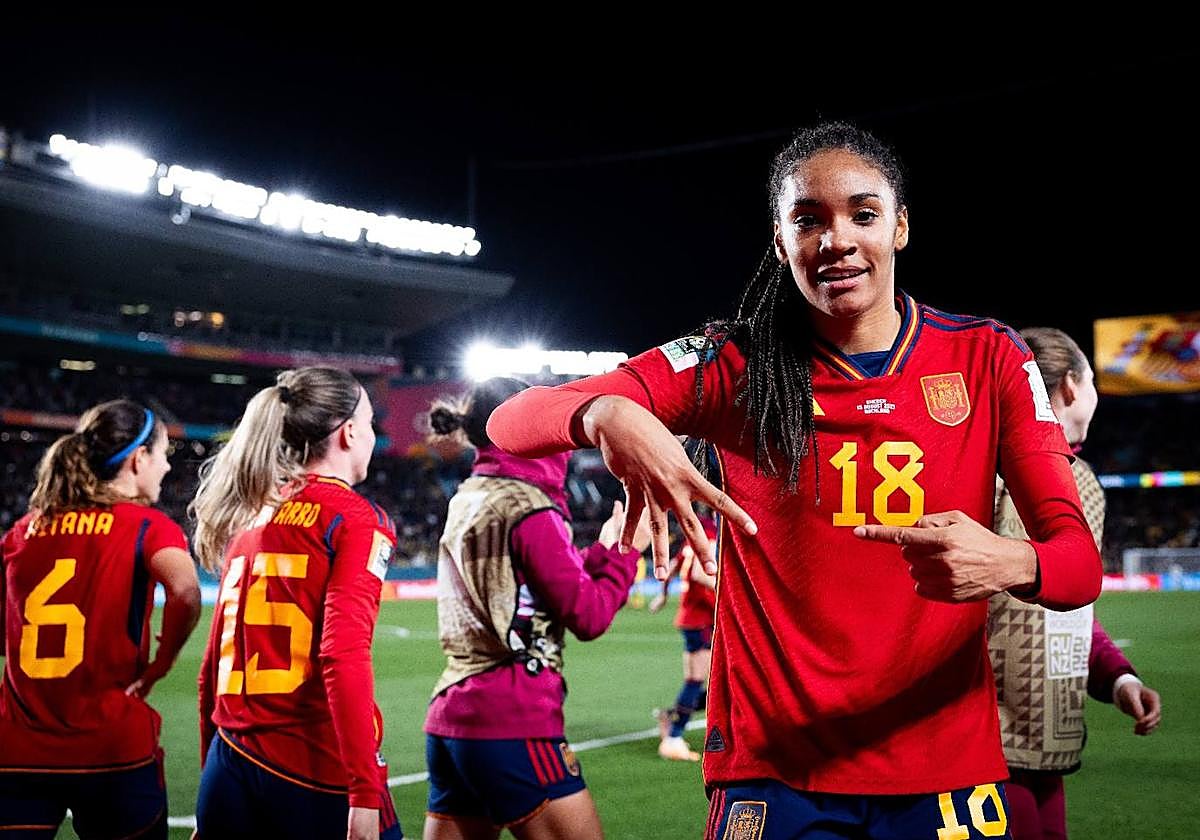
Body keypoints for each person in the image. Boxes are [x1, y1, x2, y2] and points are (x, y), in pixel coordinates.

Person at [486, 121, 1103, 839]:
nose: (837, 240)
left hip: (945, 770)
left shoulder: (988, 357)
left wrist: (1013, 562)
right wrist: (604, 411)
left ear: (901, 226)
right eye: (808, 220)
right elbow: (511, 420)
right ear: (780, 242)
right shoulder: (730, 364)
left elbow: (1079, 565)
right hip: (774, 776)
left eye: (863, 214)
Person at [422, 377, 650, 840]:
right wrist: (625, 552)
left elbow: (529, 581)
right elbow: (588, 616)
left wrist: (602, 552)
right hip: (511, 718)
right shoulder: (530, 506)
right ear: (526, 427)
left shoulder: (471, 494)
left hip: (451, 716)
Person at [191, 367, 401, 840]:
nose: (372, 435)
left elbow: (212, 666)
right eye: (370, 423)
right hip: (311, 767)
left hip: (229, 760)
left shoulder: (251, 516)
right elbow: (342, 653)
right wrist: (364, 791)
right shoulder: (355, 519)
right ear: (349, 433)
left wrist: (210, 777)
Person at [988, 327, 1162, 840]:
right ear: (1070, 386)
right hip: (985, 741)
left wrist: (1118, 678)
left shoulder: (1082, 479)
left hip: (1048, 743)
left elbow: (1069, 612)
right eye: (1092, 383)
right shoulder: (987, 471)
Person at [0, 400, 201, 839]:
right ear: (138, 459)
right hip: (111, 751)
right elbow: (186, 591)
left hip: (17, 750)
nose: (168, 466)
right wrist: (161, 664)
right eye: (163, 454)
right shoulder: (147, 526)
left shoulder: (22, 531)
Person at [649, 505, 718, 762]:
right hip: (701, 620)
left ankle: (672, 717)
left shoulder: (692, 540)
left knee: (707, 681)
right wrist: (728, 590)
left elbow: (672, 567)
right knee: (703, 680)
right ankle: (674, 736)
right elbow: (700, 573)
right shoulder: (710, 536)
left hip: (692, 619)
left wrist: (663, 596)